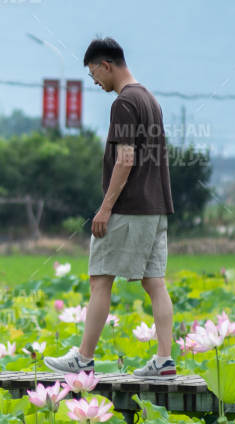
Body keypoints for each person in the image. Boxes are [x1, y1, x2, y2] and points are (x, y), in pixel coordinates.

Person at [45, 37, 176, 377]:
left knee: (100, 279)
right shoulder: (150, 100)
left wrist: (105, 209)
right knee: (155, 283)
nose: (95, 81)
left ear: (106, 65)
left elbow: (126, 158)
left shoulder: (124, 103)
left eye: (94, 74)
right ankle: (164, 360)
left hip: (129, 208)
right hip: (157, 206)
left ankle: (83, 358)